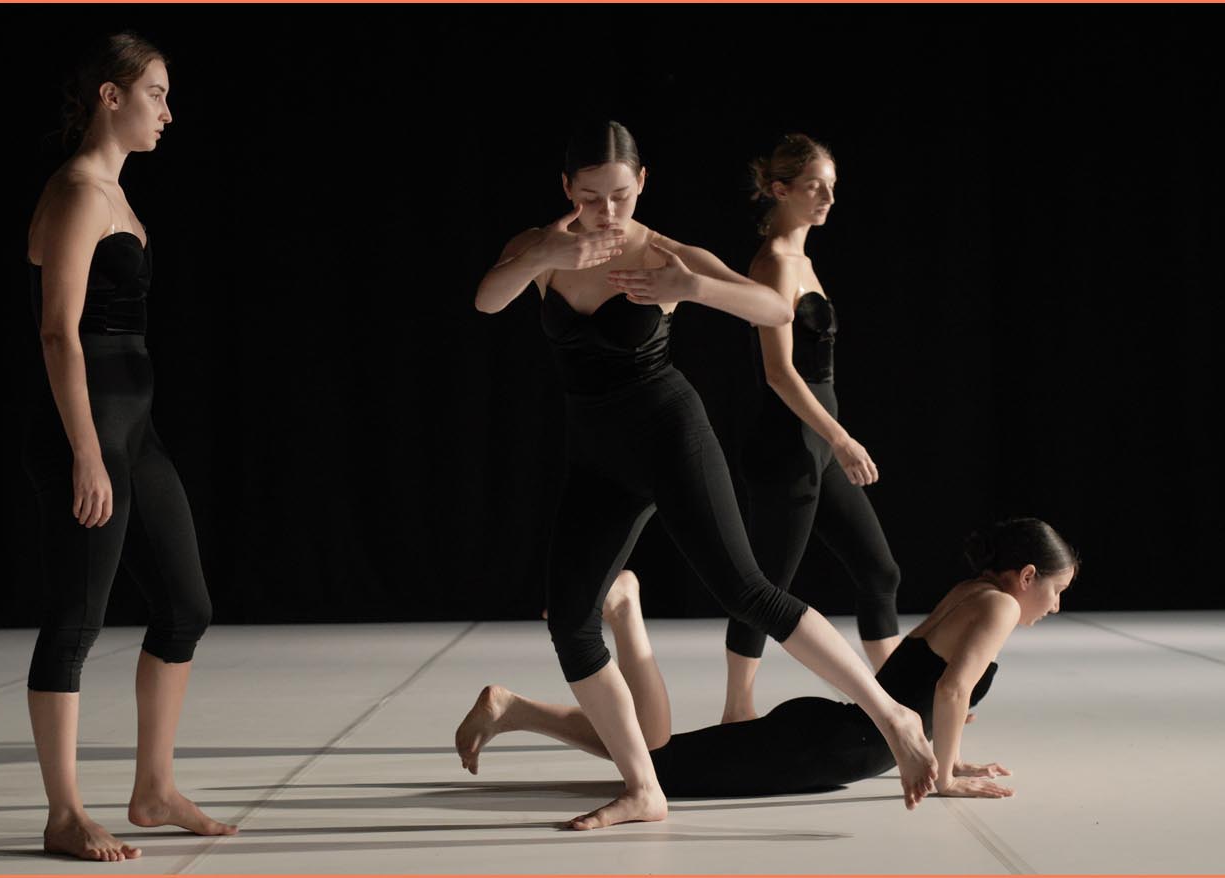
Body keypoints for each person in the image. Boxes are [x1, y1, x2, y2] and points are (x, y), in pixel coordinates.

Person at [474, 120, 938, 830]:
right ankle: (644, 789)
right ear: (566, 188)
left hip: (669, 432)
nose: (607, 212)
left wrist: (692, 286)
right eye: (590, 197)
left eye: (621, 195)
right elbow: (487, 300)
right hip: (595, 453)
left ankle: (892, 714)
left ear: (642, 183)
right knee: (569, 621)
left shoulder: (665, 252)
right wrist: (544, 251)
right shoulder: (540, 248)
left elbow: (773, 307)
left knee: (748, 590)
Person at [23, 32, 235, 861]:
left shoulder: (112, 191)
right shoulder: (79, 191)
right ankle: (63, 814)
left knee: (186, 606)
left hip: (134, 429)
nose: (167, 112)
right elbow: (57, 331)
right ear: (110, 97)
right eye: (156, 94)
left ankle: (153, 789)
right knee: (76, 620)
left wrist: (112, 442)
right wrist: (84, 450)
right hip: (89, 428)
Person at [456, 518, 1077, 800]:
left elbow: (925, 685)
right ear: (1027, 576)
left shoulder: (972, 593)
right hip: (828, 748)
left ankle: (516, 710)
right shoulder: (1000, 608)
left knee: (654, 753)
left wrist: (950, 755)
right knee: (656, 762)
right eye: (1055, 591)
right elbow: (948, 692)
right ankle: (627, 615)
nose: (1053, 606)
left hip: (830, 732)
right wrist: (944, 780)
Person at [723, 134, 903, 725]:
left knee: (879, 572)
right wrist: (841, 438)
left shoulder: (801, 259)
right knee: (767, 587)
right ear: (780, 190)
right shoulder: (775, 262)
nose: (827, 197)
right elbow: (779, 372)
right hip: (786, 446)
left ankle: (900, 697)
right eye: (813, 186)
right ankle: (737, 712)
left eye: (831, 185)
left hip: (814, 444)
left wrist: (831, 440)